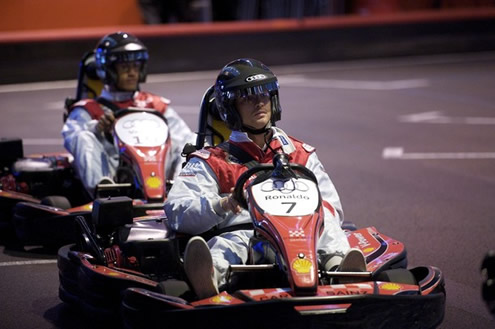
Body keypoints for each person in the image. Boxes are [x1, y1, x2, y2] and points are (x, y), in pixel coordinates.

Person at [164, 58, 366, 299]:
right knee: (228, 245)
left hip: (301, 233)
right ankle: (210, 279)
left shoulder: (299, 153)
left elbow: (333, 207)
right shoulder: (211, 161)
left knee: (330, 226)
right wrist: (223, 204)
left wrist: (311, 218)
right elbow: (177, 211)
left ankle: (341, 270)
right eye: (247, 97)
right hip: (246, 234)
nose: (259, 103)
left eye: (263, 94)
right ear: (230, 108)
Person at [62, 31, 196, 195]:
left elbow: (183, 139)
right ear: (107, 70)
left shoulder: (156, 104)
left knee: (193, 139)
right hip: (114, 171)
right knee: (83, 137)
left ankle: (180, 191)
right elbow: (71, 138)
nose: (132, 73)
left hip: (159, 167)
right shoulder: (88, 109)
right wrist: (98, 129)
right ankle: (105, 195)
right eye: (125, 67)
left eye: (135, 67)